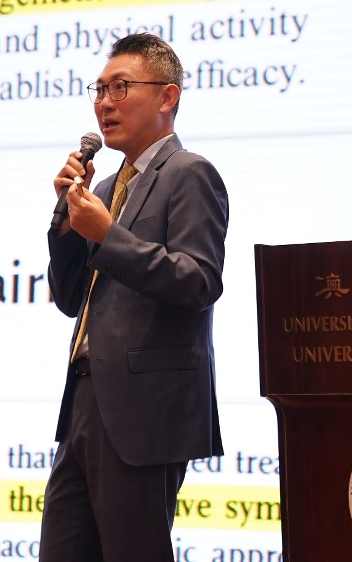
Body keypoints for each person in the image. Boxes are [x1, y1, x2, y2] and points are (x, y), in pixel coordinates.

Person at [40, 33, 229, 561]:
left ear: (167, 96)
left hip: (144, 410)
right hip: (83, 400)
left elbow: (199, 280)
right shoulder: (103, 190)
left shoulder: (189, 173)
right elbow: (70, 299)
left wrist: (107, 235)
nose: (104, 103)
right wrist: (66, 226)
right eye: (99, 90)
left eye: (120, 87)